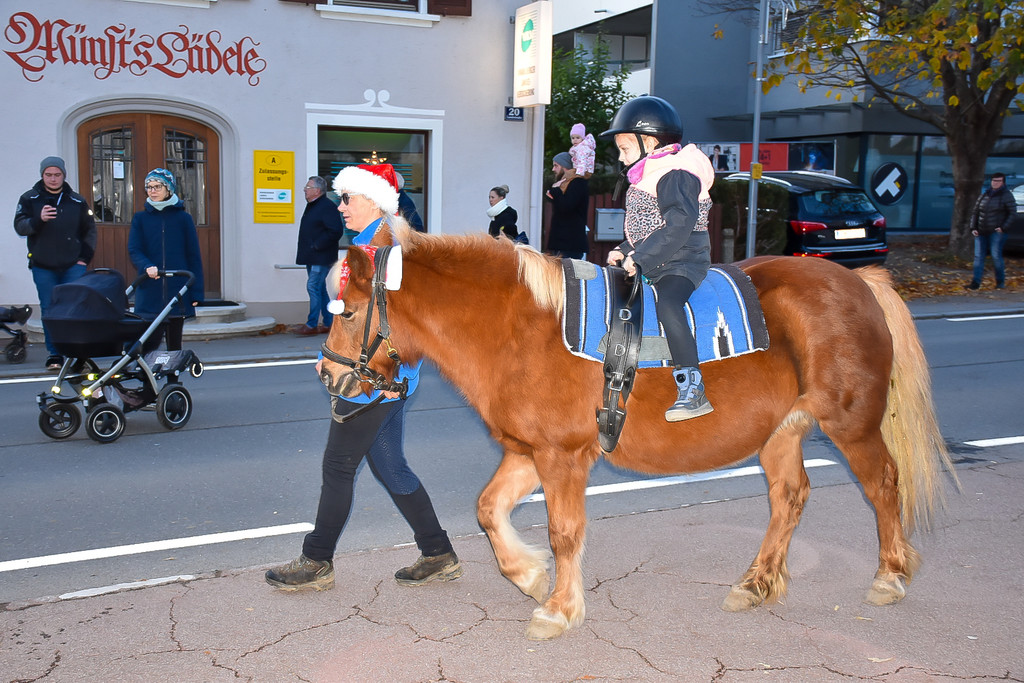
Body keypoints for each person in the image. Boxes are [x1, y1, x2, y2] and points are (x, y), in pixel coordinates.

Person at [266, 163, 461, 592]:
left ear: (373, 198)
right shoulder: (372, 242)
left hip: (375, 379)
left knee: (338, 466)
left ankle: (317, 560)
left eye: (348, 198)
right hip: (388, 378)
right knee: (391, 467)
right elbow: (358, 318)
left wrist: (350, 362)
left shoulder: (386, 246)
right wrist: (332, 356)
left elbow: (396, 318)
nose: (341, 206)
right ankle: (438, 553)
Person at [600, 95, 716, 422]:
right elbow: (649, 228)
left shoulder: (677, 173)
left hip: (683, 260)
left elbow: (679, 226)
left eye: (625, 149)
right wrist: (626, 249)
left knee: (668, 305)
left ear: (649, 142)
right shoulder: (650, 173)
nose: (622, 160)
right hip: (659, 256)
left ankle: (691, 385)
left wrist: (642, 258)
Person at [14, 156, 97, 370]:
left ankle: (77, 354)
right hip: (43, 266)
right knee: (50, 309)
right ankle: (55, 355)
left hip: (73, 266)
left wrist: (83, 259)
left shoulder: (77, 201)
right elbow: (20, 227)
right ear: (42, 175)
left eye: (57, 174)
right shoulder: (29, 198)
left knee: (74, 309)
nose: (52, 179)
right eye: (48, 175)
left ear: (63, 175)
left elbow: (89, 231)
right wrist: (37, 219)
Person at [127, 168, 204, 354]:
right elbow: (134, 249)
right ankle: (146, 379)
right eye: (149, 187)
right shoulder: (141, 218)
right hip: (150, 288)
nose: (152, 191)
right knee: (146, 343)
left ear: (168, 188)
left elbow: (193, 256)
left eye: (157, 186)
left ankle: (172, 379)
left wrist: (196, 293)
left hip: (177, 288)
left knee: (174, 345)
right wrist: (147, 266)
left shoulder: (183, 219)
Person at [292, 176, 344, 336]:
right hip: (313, 256)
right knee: (319, 288)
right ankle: (329, 323)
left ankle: (311, 324)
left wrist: (317, 245)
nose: (304, 190)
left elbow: (335, 231)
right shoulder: (314, 206)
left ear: (317, 191)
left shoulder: (326, 207)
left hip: (321, 256)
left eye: (308, 187)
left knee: (313, 286)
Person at [967, 172, 1016, 290]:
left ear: (1003, 183)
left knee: (996, 256)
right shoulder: (985, 195)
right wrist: (973, 227)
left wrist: (1003, 228)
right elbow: (976, 212)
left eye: (998, 181)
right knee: (978, 256)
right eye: (994, 181)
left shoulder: (1006, 195)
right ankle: (975, 283)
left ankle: (1000, 282)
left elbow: (1012, 213)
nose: (995, 183)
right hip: (981, 231)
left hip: (996, 232)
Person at [545, 151, 590, 260]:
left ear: (565, 167)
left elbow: (566, 206)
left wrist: (556, 191)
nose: (553, 169)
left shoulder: (577, 183)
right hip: (562, 243)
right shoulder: (565, 184)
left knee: (568, 276)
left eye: (556, 165)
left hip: (570, 244)